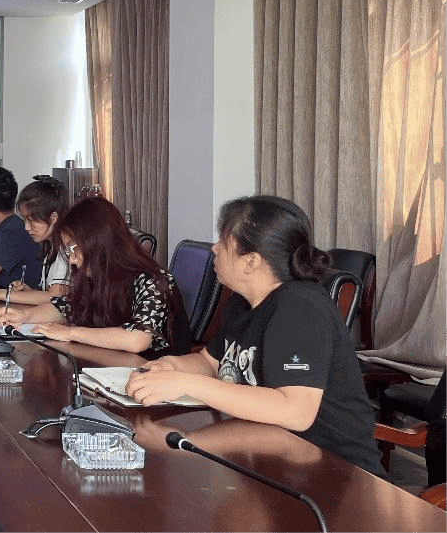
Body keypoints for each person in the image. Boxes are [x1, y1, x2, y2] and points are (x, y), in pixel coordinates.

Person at [125, 195, 384, 475]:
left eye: (223, 241)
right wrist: (171, 367)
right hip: (266, 456)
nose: (214, 248)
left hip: (335, 473)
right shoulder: (242, 301)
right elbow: (211, 363)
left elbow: (295, 411)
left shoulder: (300, 308)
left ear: (251, 261)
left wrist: (187, 384)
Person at [0, 196, 188, 355]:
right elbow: (67, 306)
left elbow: (137, 339)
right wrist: (24, 316)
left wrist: (70, 333)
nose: (71, 259)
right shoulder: (96, 275)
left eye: (74, 249)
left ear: (99, 243)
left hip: (155, 374)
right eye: (68, 250)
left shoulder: (153, 280)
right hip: (110, 366)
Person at [0, 174, 70, 309]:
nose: (27, 227)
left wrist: (2, 294)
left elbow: (55, 298)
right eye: (25, 220)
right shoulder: (50, 246)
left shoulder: (66, 249)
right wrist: (28, 292)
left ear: (54, 217)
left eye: (32, 220)